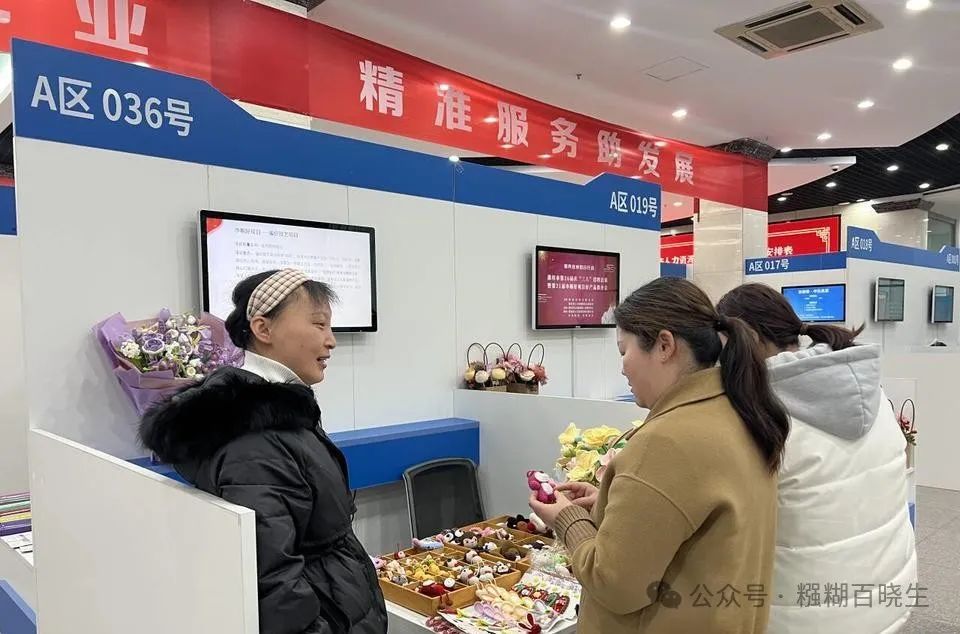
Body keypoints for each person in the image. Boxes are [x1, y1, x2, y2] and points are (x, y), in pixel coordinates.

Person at [530, 277, 789, 633]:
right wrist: (607, 502)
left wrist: (567, 518)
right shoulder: (741, 414)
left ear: (664, 345)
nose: (622, 367)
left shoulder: (666, 441)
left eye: (624, 351)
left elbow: (613, 583)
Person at [140, 269, 388, 634]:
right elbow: (272, 585)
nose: (331, 340)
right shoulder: (254, 443)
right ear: (263, 329)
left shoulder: (276, 412)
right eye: (319, 324)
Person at [717, 283, 917, 634]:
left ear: (747, 338)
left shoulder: (764, 419)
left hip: (807, 618)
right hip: (889, 597)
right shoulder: (872, 393)